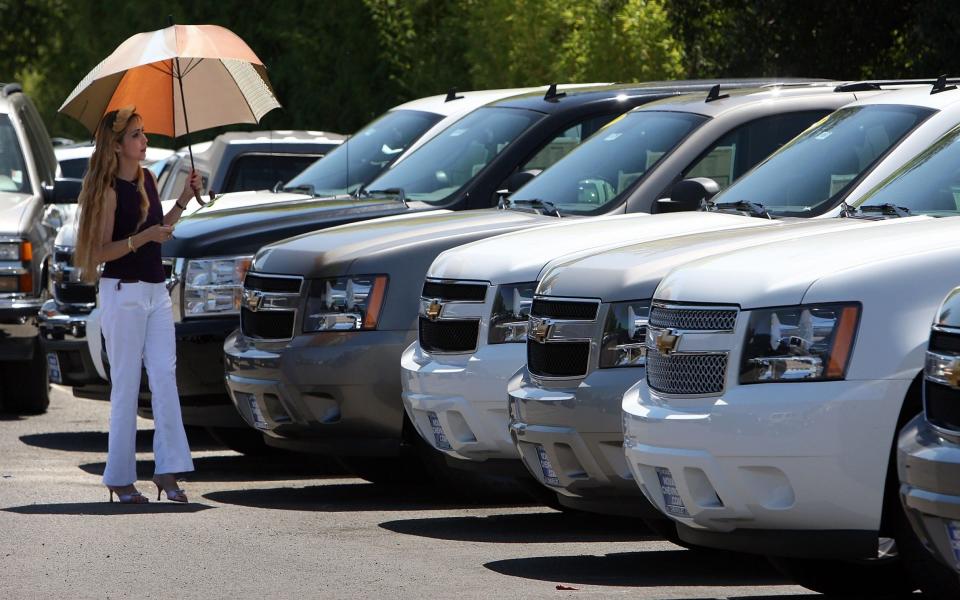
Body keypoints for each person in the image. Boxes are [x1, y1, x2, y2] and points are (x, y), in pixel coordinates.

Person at [74, 106, 200, 504]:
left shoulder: (146, 179)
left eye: (144, 133)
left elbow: (160, 231)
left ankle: (168, 470)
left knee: (164, 375)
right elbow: (99, 251)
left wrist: (183, 199)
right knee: (126, 384)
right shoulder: (108, 189)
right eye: (136, 135)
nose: (145, 141)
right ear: (116, 145)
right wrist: (142, 239)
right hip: (122, 292)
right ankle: (119, 476)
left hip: (155, 291)